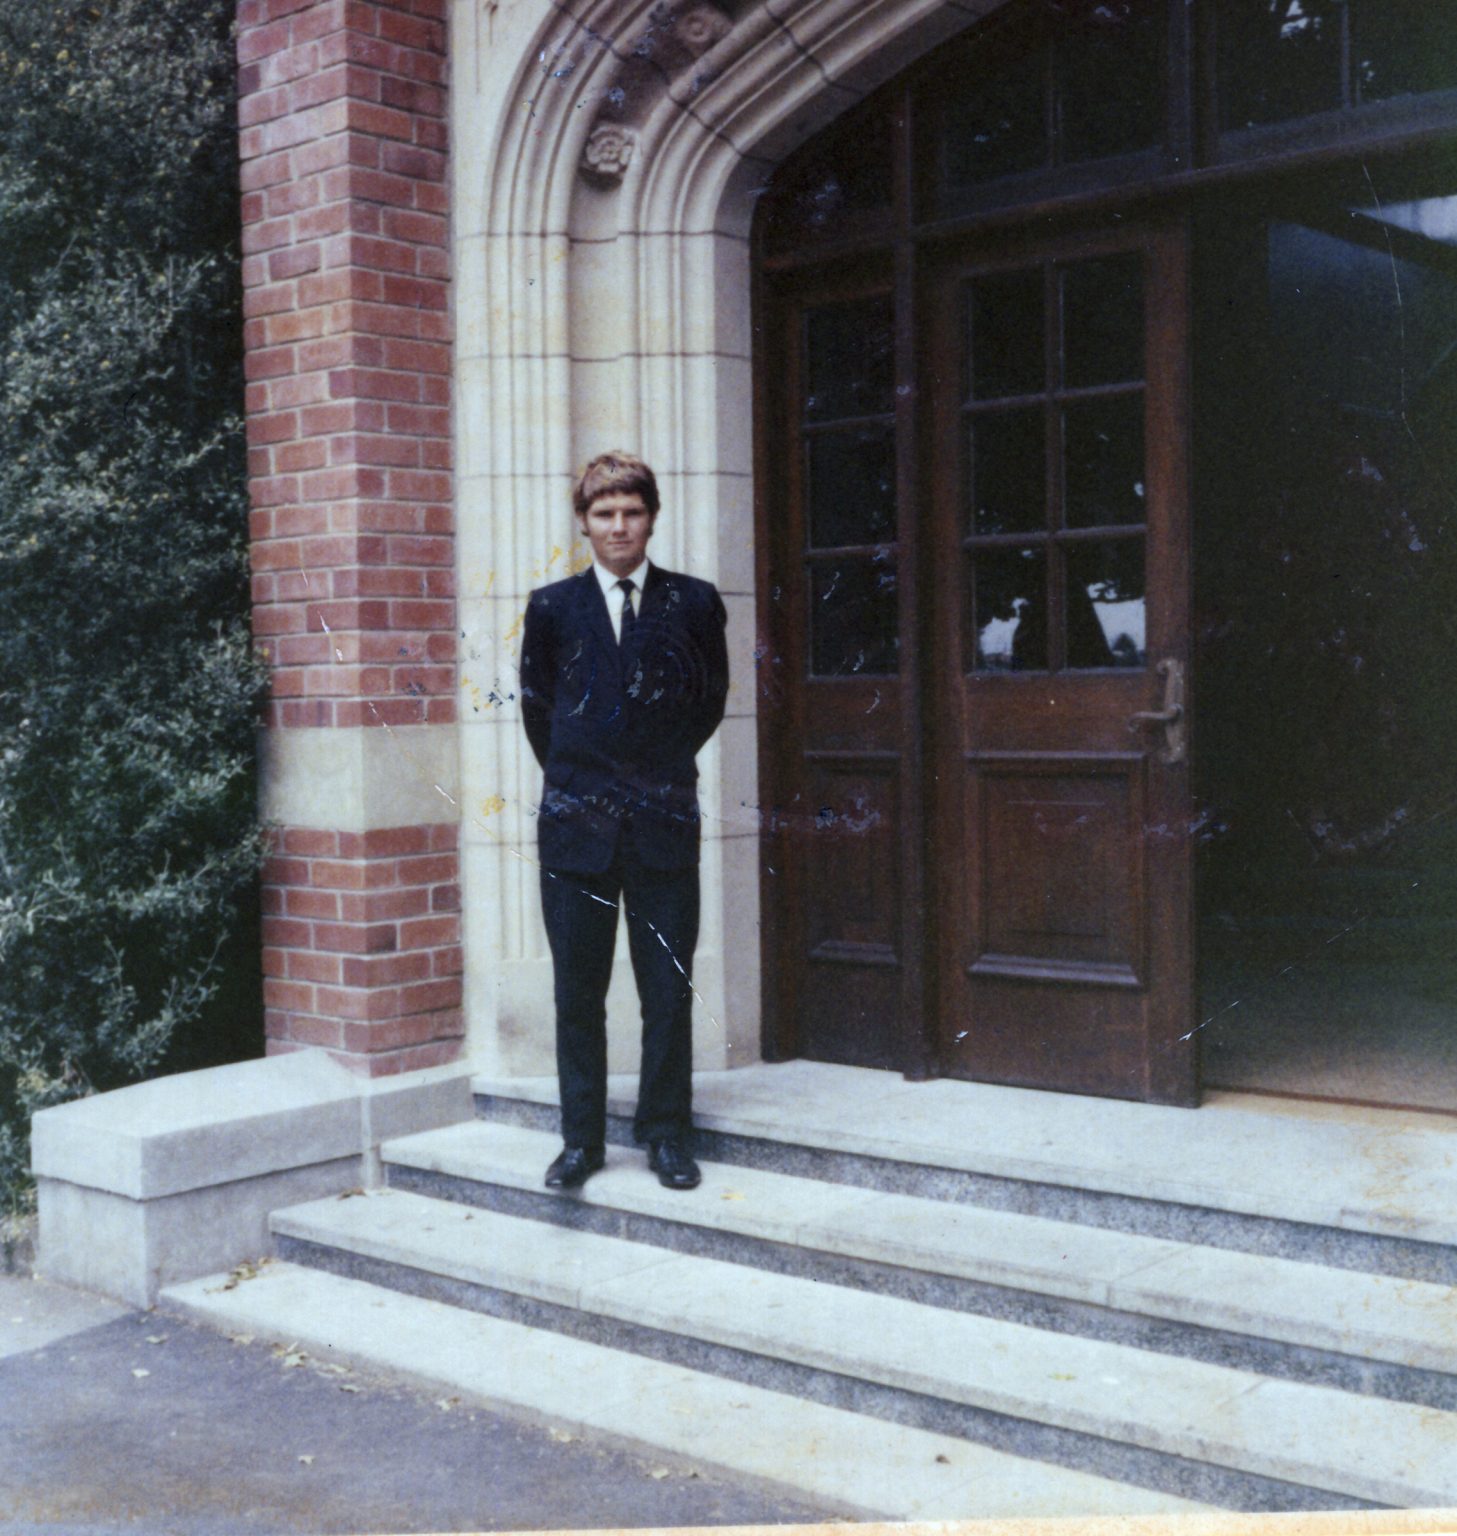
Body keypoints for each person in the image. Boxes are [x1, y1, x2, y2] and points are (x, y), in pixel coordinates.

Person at [519, 452, 729, 1192]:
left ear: (652, 518)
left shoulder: (693, 603)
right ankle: (581, 1142)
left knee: (665, 988)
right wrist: (589, 783)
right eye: (604, 513)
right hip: (576, 829)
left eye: (632, 512)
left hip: (662, 823)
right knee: (578, 993)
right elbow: (540, 714)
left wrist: (651, 772)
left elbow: (707, 702)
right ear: (583, 522)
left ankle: (665, 1133)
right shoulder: (552, 608)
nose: (619, 526)